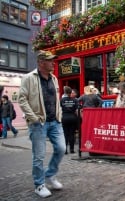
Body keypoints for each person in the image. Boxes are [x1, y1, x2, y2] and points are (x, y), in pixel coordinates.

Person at [18, 50, 66, 198]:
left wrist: (60, 115)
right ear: (41, 62)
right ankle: (39, 185)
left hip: (55, 122)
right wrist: (33, 118)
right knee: (39, 156)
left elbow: (56, 100)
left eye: (53, 60)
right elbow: (22, 99)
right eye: (50, 60)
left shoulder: (54, 78)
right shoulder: (29, 78)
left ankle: (50, 175)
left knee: (61, 148)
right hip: (38, 123)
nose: (53, 63)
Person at [60, 86, 79, 154]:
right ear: (71, 92)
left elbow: (59, 109)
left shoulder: (62, 100)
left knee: (65, 134)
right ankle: (72, 149)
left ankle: (65, 150)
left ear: (64, 92)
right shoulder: (75, 100)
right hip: (73, 118)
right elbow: (77, 111)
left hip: (64, 117)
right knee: (72, 134)